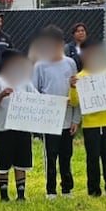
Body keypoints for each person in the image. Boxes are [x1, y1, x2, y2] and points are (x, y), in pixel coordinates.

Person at [33, 25, 80, 199]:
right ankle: (51, 190)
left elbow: (76, 91)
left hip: (67, 119)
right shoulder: (40, 65)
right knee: (50, 155)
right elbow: (34, 91)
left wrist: (76, 119)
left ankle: (67, 188)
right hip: (49, 119)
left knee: (66, 155)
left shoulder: (70, 63)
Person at [0, 49, 36, 202]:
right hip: (4, 128)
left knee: (21, 162)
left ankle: (21, 194)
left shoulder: (25, 82)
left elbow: (37, 99)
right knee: (3, 162)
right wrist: (1, 95)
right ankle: (4, 194)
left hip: (22, 127)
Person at [68, 41, 106, 197]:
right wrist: (73, 87)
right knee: (93, 158)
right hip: (91, 125)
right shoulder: (80, 77)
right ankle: (94, 190)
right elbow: (75, 102)